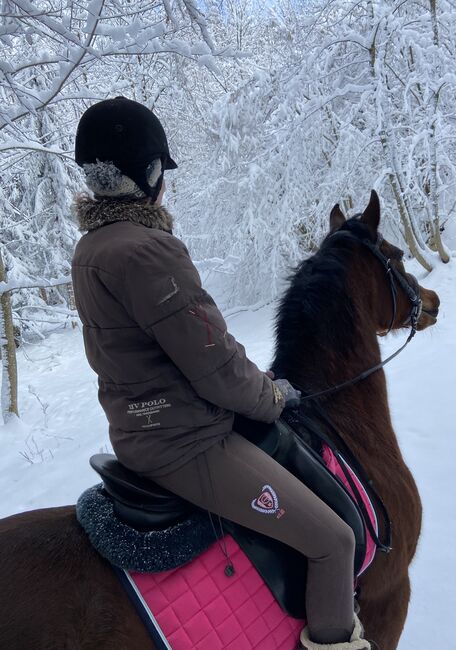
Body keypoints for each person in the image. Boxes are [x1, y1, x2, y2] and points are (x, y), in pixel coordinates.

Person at [71, 96, 371, 650]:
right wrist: (273, 396)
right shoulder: (147, 252)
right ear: (149, 173)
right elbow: (216, 368)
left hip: (139, 432)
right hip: (187, 444)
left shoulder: (92, 247)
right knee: (333, 541)